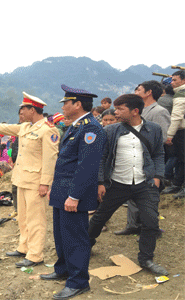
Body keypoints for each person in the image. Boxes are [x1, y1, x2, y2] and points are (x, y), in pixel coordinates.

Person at [0, 92, 59, 268]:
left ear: (33, 110)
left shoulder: (48, 130)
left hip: (35, 182)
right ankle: (24, 247)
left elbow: (50, 159)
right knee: (22, 218)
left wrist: (45, 183)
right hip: (21, 179)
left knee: (36, 220)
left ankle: (36, 254)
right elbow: (2, 128)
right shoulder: (25, 127)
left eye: (23, 109)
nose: (20, 113)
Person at [88, 94, 168, 276]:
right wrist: (101, 182)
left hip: (145, 183)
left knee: (151, 222)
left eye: (120, 109)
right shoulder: (111, 131)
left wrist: (157, 176)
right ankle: (86, 245)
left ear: (135, 111)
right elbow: (102, 158)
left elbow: (158, 154)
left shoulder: (153, 129)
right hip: (117, 183)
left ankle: (146, 258)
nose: (116, 112)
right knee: (100, 217)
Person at [41, 85, 105, 300]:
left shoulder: (91, 129)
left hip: (73, 194)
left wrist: (75, 196)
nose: (63, 106)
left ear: (77, 104)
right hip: (62, 191)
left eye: (66, 102)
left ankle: (78, 281)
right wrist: (56, 190)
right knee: (61, 234)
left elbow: (87, 166)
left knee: (75, 237)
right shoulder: (76, 126)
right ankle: (63, 269)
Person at [116, 81, 171, 236]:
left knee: (148, 197)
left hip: (148, 160)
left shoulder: (159, 111)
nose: (135, 91)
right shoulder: (139, 110)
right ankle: (133, 224)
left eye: (139, 89)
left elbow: (162, 137)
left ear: (149, 92)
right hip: (130, 159)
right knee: (132, 192)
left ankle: (151, 228)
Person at [164, 71, 185, 199]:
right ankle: (177, 184)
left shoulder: (181, 94)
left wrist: (169, 135)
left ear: (183, 81)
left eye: (175, 80)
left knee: (182, 159)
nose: (172, 83)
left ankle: (179, 185)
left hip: (182, 131)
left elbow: (177, 116)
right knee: (181, 160)